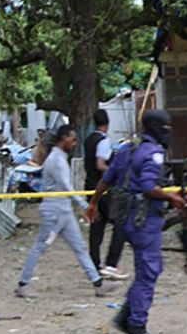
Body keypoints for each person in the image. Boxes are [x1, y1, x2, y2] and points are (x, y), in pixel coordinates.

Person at [87, 109, 187, 334]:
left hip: (124, 221)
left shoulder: (127, 150)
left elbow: (107, 178)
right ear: (158, 129)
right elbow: (147, 186)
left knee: (150, 268)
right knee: (148, 272)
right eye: (167, 127)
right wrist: (173, 199)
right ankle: (137, 330)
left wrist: (93, 203)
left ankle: (125, 317)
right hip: (145, 221)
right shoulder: (154, 153)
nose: (169, 132)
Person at [15, 124, 120, 299]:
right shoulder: (56, 160)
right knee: (40, 246)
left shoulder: (60, 158)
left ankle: (98, 284)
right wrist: (86, 205)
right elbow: (67, 187)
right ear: (63, 138)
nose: (74, 143)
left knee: (79, 247)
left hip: (63, 211)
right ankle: (23, 284)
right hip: (54, 212)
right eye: (72, 139)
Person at [84, 109, 129, 280]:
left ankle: (94, 265)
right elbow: (100, 164)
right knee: (119, 223)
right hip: (101, 189)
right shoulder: (103, 141)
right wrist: (115, 173)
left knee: (97, 227)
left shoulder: (89, 140)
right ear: (107, 123)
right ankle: (111, 263)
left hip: (89, 186)